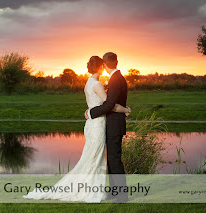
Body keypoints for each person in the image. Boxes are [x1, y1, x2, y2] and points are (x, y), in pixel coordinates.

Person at [23, 55, 130, 203]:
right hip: (98, 124)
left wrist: (92, 111)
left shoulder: (91, 82)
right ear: (102, 66)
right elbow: (109, 104)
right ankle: (110, 192)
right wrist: (125, 109)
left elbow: (107, 103)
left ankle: (116, 193)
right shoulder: (99, 83)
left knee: (103, 159)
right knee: (100, 158)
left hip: (98, 125)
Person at [85, 52, 129, 203]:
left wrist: (92, 112)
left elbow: (109, 104)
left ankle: (122, 195)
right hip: (112, 124)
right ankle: (114, 192)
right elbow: (112, 100)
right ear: (116, 62)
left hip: (115, 125)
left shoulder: (116, 79)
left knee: (115, 160)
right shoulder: (116, 78)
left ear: (104, 64)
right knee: (111, 160)